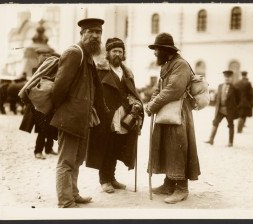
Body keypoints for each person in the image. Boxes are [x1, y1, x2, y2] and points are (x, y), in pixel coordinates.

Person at [50, 18, 107, 208]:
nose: (95, 36)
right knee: (66, 161)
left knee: (77, 159)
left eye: (98, 32)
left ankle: (73, 193)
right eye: (90, 32)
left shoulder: (88, 55)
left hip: (83, 119)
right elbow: (59, 88)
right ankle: (65, 201)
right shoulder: (74, 53)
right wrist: (66, 112)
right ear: (82, 34)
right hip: (71, 118)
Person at [145, 33, 201, 204]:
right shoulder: (167, 64)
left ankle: (181, 188)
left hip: (179, 114)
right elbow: (159, 87)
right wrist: (151, 101)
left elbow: (173, 89)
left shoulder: (181, 65)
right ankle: (169, 184)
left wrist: (153, 105)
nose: (155, 53)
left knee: (178, 147)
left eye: (156, 50)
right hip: (166, 113)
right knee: (166, 147)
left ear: (164, 50)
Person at [86, 38, 144, 193]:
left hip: (124, 116)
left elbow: (132, 92)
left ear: (123, 54)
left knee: (117, 146)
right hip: (106, 115)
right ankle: (104, 180)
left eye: (120, 51)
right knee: (105, 146)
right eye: (114, 51)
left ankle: (112, 177)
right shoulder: (101, 70)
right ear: (108, 53)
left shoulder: (127, 72)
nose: (117, 54)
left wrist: (136, 103)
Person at [19, 47, 58, 159]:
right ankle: (38, 151)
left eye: (47, 55)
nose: (46, 57)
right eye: (43, 55)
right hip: (37, 104)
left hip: (49, 101)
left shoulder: (54, 66)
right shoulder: (37, 69)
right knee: (42, 128)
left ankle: (49, 148)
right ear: (38, 56)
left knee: (51, 125)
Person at [205, 70, 240, 147]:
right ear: (224, 78)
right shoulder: (220, 86)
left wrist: (233, 108)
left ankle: (230, 142)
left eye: (229, 77)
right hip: (220, 110)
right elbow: (218, 97)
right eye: (225, 77)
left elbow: (238, 99)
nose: (227, 79)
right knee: (215, 123)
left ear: (231, 78)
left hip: (229, 110)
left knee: (231, 125)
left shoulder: (234, 88)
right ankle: (211, 139)